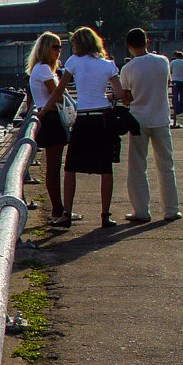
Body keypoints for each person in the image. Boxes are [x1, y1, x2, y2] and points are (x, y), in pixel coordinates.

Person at [42, 26, 125, 228]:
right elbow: (120, 94)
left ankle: (66, 214)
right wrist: (106, 97)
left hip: (84, 118)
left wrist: (44, 111)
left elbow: (59, 91)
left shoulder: (74, 62)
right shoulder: (108, 64)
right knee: (106, 168)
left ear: (78, 44)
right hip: (104, 117)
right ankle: (105, 216)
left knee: (70, 167)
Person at [119, 28, 181, 222]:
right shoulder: (163, 61)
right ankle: (171, 209)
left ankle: (141, 211)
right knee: (166, 166)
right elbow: (166, 83)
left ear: (129, 46)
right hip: (161, 118)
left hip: (139, 120)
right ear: (147, 42)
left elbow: (126, 98)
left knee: (137, 167)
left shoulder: (128, 68)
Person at [25, 32, 68, 221]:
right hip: (51, 118)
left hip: (48, 116)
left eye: (59, 47)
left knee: (54, 166)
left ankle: (59, 209)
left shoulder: (40, 69)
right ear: (45, 49)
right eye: (54, 47)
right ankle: (58, 210)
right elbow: (57, 95)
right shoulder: (43, 69)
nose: (58, 51)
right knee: (53, 167)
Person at [169, 50, 183, 127]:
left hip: (175, 79)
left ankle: (175, 107)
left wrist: (169, 80)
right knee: (182, 95)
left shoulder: (173, 62)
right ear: (182, 56)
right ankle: (180, 109)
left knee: (174, 95)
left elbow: (170, 71)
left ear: (176, 56)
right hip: (182, 80)